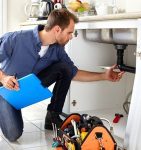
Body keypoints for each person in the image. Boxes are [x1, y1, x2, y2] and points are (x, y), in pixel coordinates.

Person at [0, 8, 124, 142]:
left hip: (29, 88)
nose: (71, 37)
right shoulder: (16, 38)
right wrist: (3, 77)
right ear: (57, 29)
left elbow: (73, 73)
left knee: (65, 68)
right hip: (6, 91)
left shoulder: (58, 50)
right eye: (69, 33)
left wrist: (104, 76)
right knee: (13, 134)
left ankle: (52, 116)